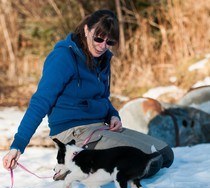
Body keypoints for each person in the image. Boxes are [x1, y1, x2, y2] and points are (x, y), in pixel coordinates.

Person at [2, 10, 174, 178]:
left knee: (164, 154)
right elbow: (40, 101)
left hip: (100, 126)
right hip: (73, 132)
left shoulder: (103, 59)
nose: (102, 46)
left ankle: (88, 159)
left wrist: (113, 115)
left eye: (109, 42)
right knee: (147, 162)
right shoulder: (63, 57)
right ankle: (76, 160)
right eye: (98, 38)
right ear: (86, 29)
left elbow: (103, 97)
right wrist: (18, 145)